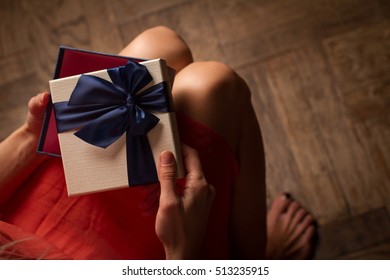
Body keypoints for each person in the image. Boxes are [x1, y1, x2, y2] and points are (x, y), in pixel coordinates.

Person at [0, 26, 315, 259]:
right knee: (216, 86)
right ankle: (259, 261)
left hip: (17, 214)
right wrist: (181, 254)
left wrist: (30, 137)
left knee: (160, 44)